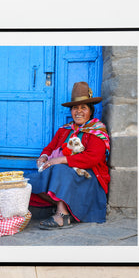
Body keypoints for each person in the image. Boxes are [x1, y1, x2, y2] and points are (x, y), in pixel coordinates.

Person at [28, 82, 110, 229]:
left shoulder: (96, 130)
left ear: (90, 111)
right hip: (65, 176)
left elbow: (93, 157)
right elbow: (50, 147)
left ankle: (62, 215)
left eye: (83, 108)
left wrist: (61, 160)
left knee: (59, 169)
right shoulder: (65, 130)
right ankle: (67, 204)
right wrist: (44, 157)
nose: (78, 112)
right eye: (75, 108)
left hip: (88, 178)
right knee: (29, 180)